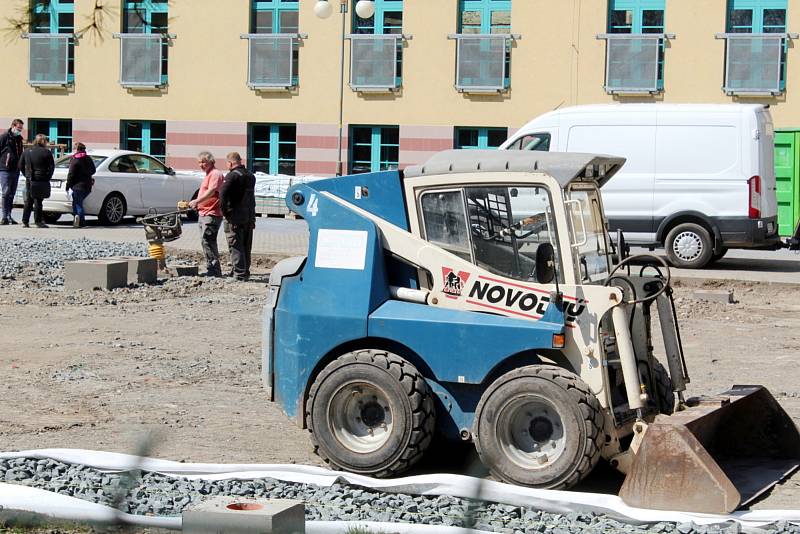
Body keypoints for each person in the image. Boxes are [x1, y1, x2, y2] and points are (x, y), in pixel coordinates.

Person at [220, 152, 256, 281]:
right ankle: (244, 271)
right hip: (249, 215)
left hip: (234, 217)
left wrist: (225, 211)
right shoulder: (250, 175)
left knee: (235, 244)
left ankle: (239, 274)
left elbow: (223, 194)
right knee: (246, 245)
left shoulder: (232, 176)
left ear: (230, 163)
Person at [189, 151, 225, 277]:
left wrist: (197, 201)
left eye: (204, 162)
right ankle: (211, 268)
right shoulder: (208, 174)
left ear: (211, 161)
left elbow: (211, 191)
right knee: (205, 241)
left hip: (212, 213)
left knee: (208, 241)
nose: (201, 164)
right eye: (199, 162)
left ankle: (214, 270)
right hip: (204, 212)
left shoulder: (215, 174)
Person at [19, 134, 54, 228]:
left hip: (30, 178)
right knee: (38, 200)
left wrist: (26, 175)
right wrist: (48, 177)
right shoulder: (47, 152)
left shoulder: (27, 151)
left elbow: (20, 165)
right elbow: (51, 167)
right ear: (44, 142)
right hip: (42, 179)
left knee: (28, 201)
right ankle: (38, 221)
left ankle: (25, 221)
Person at [65, 142, 96, 228]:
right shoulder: (88, 158)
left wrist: (68, 185)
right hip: (87, 185)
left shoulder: (75, 159)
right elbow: (93, 170)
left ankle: (80, 221)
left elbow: (71, 174)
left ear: (76, 149)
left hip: (77, 185)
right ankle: (77, 219)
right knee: (77, 203)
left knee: (77, 204)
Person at [0, 119, 25, 225]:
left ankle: (9, 215)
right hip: (5, 169)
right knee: (6, 193)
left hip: (16, 170)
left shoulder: (19, 139)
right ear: (13, 126)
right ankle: (4, 216)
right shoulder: (4, 137)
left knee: (12, 194)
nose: (20, 130)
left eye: (21, 129)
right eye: (18, 128)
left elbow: (20, 153)